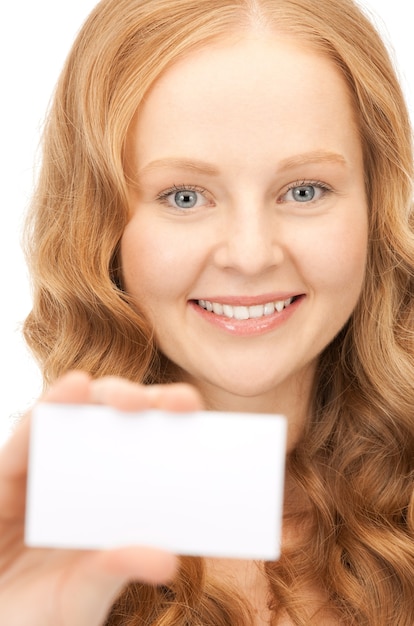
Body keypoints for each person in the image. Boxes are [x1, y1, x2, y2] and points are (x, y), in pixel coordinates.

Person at [1, 0, 413, 623]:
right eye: (185, 196)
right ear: (101, 226)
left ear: (377, 205)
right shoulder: (30, 551)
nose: (250, 255)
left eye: (304, 190)